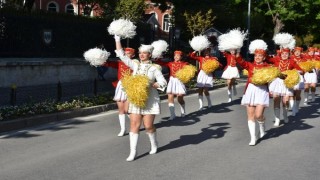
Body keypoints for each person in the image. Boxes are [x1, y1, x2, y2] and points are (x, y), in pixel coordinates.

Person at [114, 35, 167, 161]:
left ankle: (154, 144)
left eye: (145, 53)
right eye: (140, 53)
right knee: (134, 124)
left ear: (150, 55)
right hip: (136, 100)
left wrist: (154, 84)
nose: (142, 55)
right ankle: (133, 152)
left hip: (150, 100)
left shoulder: (154, 68)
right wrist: (117, 39)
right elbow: (121, 55)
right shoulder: (135, 65)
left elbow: (163, 82)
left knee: (148, 126)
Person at [235, 41, 271, 146]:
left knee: (258, 115)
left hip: (262, 91)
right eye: (256, 56)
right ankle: (253, 137)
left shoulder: (268, 67)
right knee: (250, 115)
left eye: (260, 56)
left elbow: (276, 75)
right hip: (251, 90)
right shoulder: (250, 65)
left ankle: (262, 124)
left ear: (264, 57)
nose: (257, 57)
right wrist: (237, 53)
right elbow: (241, 62)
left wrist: (283, 77)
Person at [102, 48, 137, 136]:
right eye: (125, 53)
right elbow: (107, 64)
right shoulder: (119, 62)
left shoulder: (135, 63)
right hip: (121, 86)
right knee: (121, 109)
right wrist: (101, 59)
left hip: (130, 86)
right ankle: (123, 129)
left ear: (132, 55)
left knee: (127, 109)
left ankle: (135, 124)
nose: (126, 54)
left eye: (128, 53)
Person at [268, 48, 303, 126]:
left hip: (286, 83)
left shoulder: (292, 62)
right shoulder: (276, 60)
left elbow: (301, 70)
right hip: (276, 82)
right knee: (276, 99)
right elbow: (267, 59)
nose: (284, 55)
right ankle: (277, 119)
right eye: (283, 53)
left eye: (286, 54)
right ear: (280, 54)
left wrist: (295, 72)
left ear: (289, 55)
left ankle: (285, 115)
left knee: (285, 101)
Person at [155, 50, 188, 120]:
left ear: (181, 57)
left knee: (180, 98)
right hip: (172, 81)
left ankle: (183, 111)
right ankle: (172, 115)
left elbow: (189, 72)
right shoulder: (170, 63)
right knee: (170, 96)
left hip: (180, 81)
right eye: (175, 55)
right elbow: (160, 63)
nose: (176, 57)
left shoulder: (185, 64)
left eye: (178, 55)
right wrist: (158, 57)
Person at [290, 47, 305, 115]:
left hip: (300, 77)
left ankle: (297, 106)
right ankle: (293, 109)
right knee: (292, 93)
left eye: (298, 51)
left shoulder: (303, 60)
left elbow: (305, 69)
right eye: (296, 51)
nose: (297, 52)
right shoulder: (290, 58)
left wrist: (302, 71)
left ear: (301, 52)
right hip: (291, 77)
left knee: (298, 94)